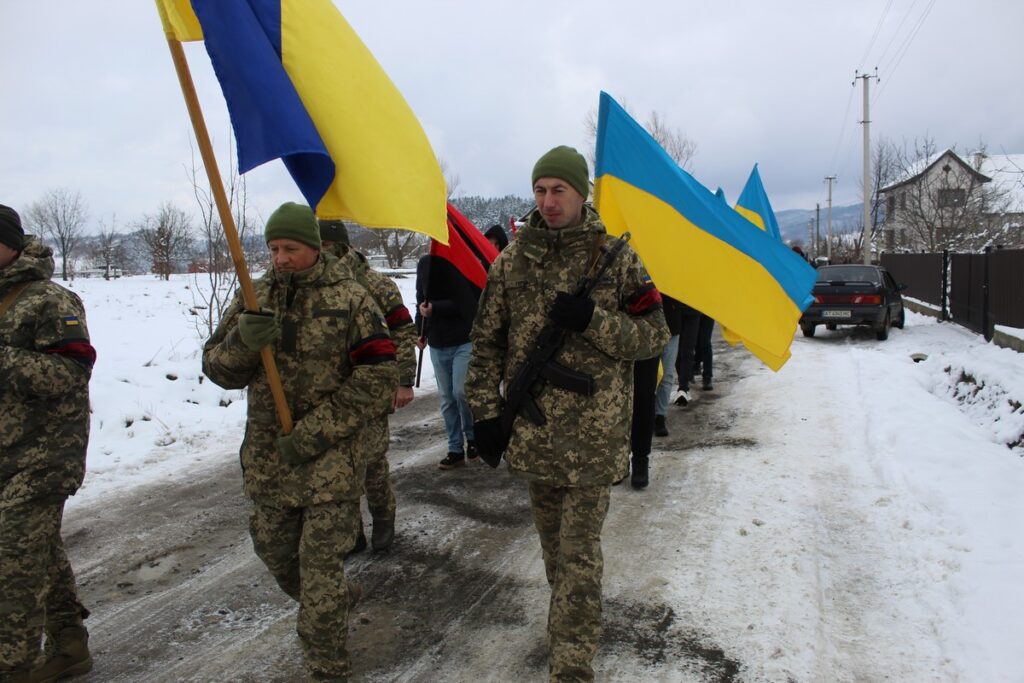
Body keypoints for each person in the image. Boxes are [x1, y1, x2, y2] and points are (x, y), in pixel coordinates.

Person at [466, 146, 669, 681]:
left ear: (582, 194)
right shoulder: (512, 261)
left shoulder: (617, 259)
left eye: (559, 190)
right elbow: (486, 345)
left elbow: (654, 335)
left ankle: (571, 666)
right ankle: (570, 627)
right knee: (557, 557)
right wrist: (486, 417)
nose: (549, 201)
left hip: (595, 440)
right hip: (533, 436)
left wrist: (593, 320)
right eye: (540, 190)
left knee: (579, 559)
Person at [202, 203, 398, 682]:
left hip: (330, 460)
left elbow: (377, 377)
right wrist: (242, 344)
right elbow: (217, 370)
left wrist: (312, 434)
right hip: (270, 461)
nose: (281, 257)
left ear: (314, 247)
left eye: (290, 247)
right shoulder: (255, 295)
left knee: (318, 567)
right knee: (275, 554)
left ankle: (327, 664)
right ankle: (335, 598)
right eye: (273, 248)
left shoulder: (351, 298)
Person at [1, 204, 96, 683]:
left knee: (12, 561)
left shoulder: (49, 301)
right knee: (36, 549)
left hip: (45, 454)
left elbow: (70, 372)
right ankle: (69, 644)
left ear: (12, 245)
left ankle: (13, 665)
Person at [319, 219, 416, 553]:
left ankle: (383, 518)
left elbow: (403, 331)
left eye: (324, 248)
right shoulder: (316, 287)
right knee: (339, 467)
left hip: (372, 385)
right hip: (333, 392)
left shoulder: (376, 284)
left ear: (338, 247)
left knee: (372, 462)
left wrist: (403, 381)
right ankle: (353, 532)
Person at [415, 253, 479, 469]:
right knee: (446, 398)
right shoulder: (424, 264)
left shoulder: (458, 261)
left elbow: (468, 302)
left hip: (463, 339)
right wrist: (420, 331)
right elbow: (420, 300)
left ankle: (473, 438)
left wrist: (436, 308)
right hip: (437, 342)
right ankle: (455, 449)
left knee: (461, 392)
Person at [653, 294, 684, 437]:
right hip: (648, 328)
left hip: (672, 327)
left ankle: (660, 416)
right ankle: (645, 415)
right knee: (648, 376)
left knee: (666, 375)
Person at [672, 301, 701, 406]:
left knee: (687, 350)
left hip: (693, 310)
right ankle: (683, 384)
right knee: (679, 351)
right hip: (675, 311)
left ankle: (683, 387)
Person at [693, 313, 715, 391]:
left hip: (708, 309)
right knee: (695, 341)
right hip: (692, 310)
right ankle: (696, 364)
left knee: (705, 342)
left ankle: (707, 377)